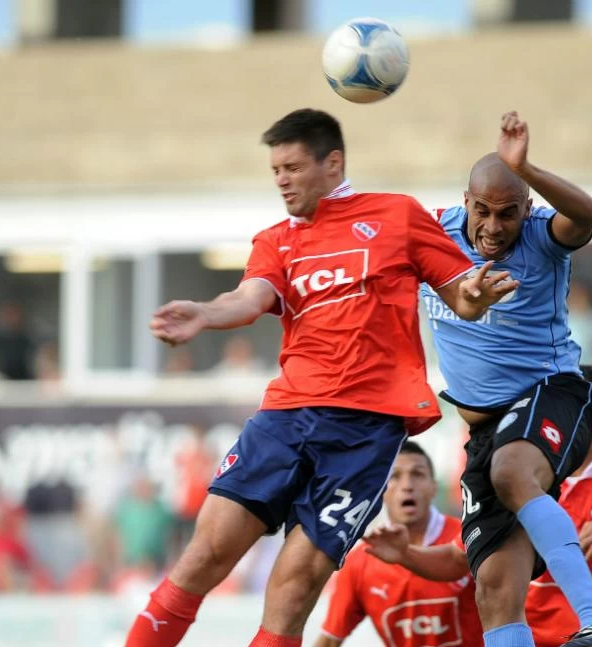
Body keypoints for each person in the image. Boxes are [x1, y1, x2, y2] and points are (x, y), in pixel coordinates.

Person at [124, 108, 514, 647]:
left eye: (292, 167)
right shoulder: (275, 240)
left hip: (366, 431)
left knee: (295, 584)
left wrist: (476, 297)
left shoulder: (397, 216)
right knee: (204, 555)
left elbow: (461, 296)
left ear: (333, 163)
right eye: (275, 170)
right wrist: (206, 313)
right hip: (286, 417)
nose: (282, 180)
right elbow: (251, 297)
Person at [421, 111, 592, 647]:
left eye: (507, 214)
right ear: (465, 201)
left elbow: (589, 214)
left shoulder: (542, 237)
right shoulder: (430, 237)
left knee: (512, 470)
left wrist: (523, 165)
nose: (492, 226)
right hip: (484, 431)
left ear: (527, 209)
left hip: (552, 396)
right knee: (494, 588)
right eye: (482, 211)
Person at [364, 366, 592, 647]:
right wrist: (406, 554)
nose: (572, 411)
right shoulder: (510, 476)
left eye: (584, 403)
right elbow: (457, 560)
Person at [314, 441, 482, 647]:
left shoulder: (471, 538)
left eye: (418, 474)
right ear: (381, 490)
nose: (407, 485)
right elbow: (330, 640)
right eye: (395, 476)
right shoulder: (360, 562)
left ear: (433, 488)